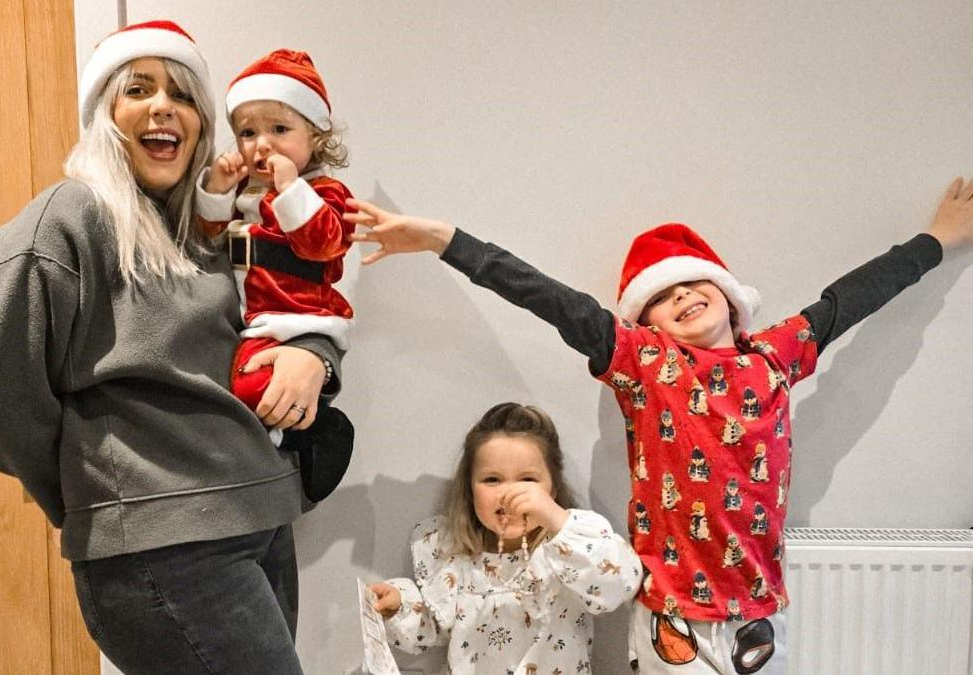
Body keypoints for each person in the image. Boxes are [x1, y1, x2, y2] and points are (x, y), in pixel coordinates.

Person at [346, 177, 973, 674]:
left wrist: (937, 239)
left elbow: (850, 299)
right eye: (662, 299)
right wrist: (446, 240)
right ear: (649, 325)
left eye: (694, 284)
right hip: (670, 611)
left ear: (730, 295)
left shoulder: (775, 356)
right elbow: (549, 298)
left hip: (756, 607)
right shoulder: (647, 365)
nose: (682, 298)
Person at [0, 20, 344, 674]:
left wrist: (316, 352)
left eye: (183, 94)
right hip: (170, 549)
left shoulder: (203, 222)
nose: (165, 106)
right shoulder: (69, 215)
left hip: (260, 516)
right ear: (106, 113)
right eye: (139, 88)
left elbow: (301, 294)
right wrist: (84, 490)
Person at [367, 402, 641, 674]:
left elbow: (618, 585)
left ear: (553, 487)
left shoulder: (568, 550)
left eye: (528, 480)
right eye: (492, 480)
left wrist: (556, 518)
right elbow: (433, 626)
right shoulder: (453, 552)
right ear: (470, 487)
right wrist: (399, 605)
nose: (509, 493)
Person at [196, 48, 355, 501]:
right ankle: (282, 438)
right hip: (254, 321)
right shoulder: (248, 192)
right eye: (247, 132)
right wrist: (217, 191)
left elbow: (323, 242)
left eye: (279, 130)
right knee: (236, 385)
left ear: (316, 138)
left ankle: (316, 431)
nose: (261, 144)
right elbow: (207, 237)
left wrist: (290, 190)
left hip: (296, 319)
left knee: (250, 387)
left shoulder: (324, 192)